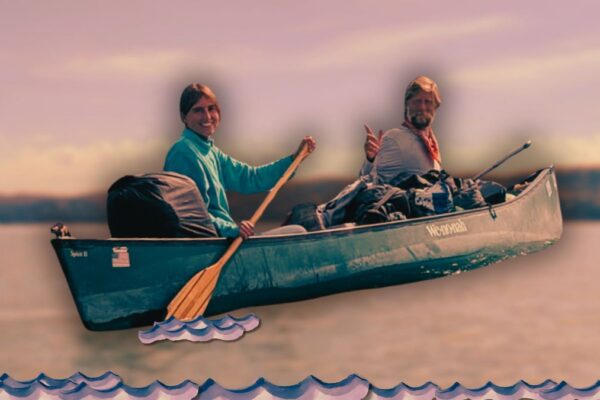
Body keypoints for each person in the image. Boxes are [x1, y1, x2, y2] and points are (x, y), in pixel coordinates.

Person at [164, 83, 316, 238]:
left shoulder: (210, 151)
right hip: (210, 242)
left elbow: (250, 178)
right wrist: (232, 230)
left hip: (222, 238)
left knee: (302, 226)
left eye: (211, 108)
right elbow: (191, 215)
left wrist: (294, 159)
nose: (207, 117)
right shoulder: (183, 152)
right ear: (184, 117)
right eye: (198, 110)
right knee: (297, 231)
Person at [360, 75, 442, 185]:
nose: (422, 107)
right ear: (407, 105)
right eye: (417, 101)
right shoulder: (395, 139)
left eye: (427, 102)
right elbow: (368, 185)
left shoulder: (432, 145)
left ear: (435, 106)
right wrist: (371, 160)